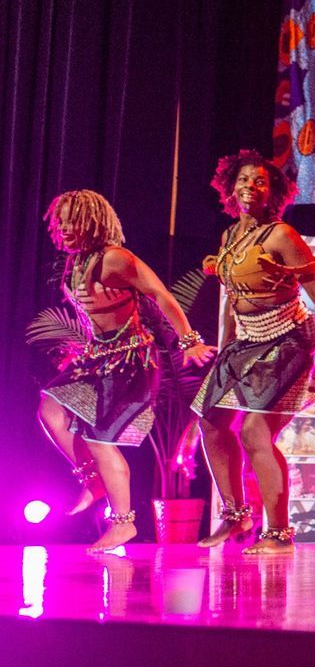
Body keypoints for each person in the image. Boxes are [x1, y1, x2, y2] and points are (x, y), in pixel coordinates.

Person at [193, 152, 315, 555]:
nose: (250, 186)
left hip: (288, 339)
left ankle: (279, 534)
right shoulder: (230, 236)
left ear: (273, 193)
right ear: (230, 188)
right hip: (245, 340)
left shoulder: (282, 235)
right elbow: (233, 298)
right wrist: (227, 344)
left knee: (254, 431)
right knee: (211, 422)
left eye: (260, 182)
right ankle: (236, 515)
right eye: (243, 180)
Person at [37, 190, 214, 550]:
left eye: (73, 220)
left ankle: (124, 523)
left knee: (99, 439)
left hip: (133, 361)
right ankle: (93, 480)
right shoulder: (77, 261)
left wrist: (189, 340)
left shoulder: (116, 258)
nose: (64, 227)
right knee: (50, 410)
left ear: (92, 222)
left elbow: (161, 295)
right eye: (61, 221)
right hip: (98, 356)